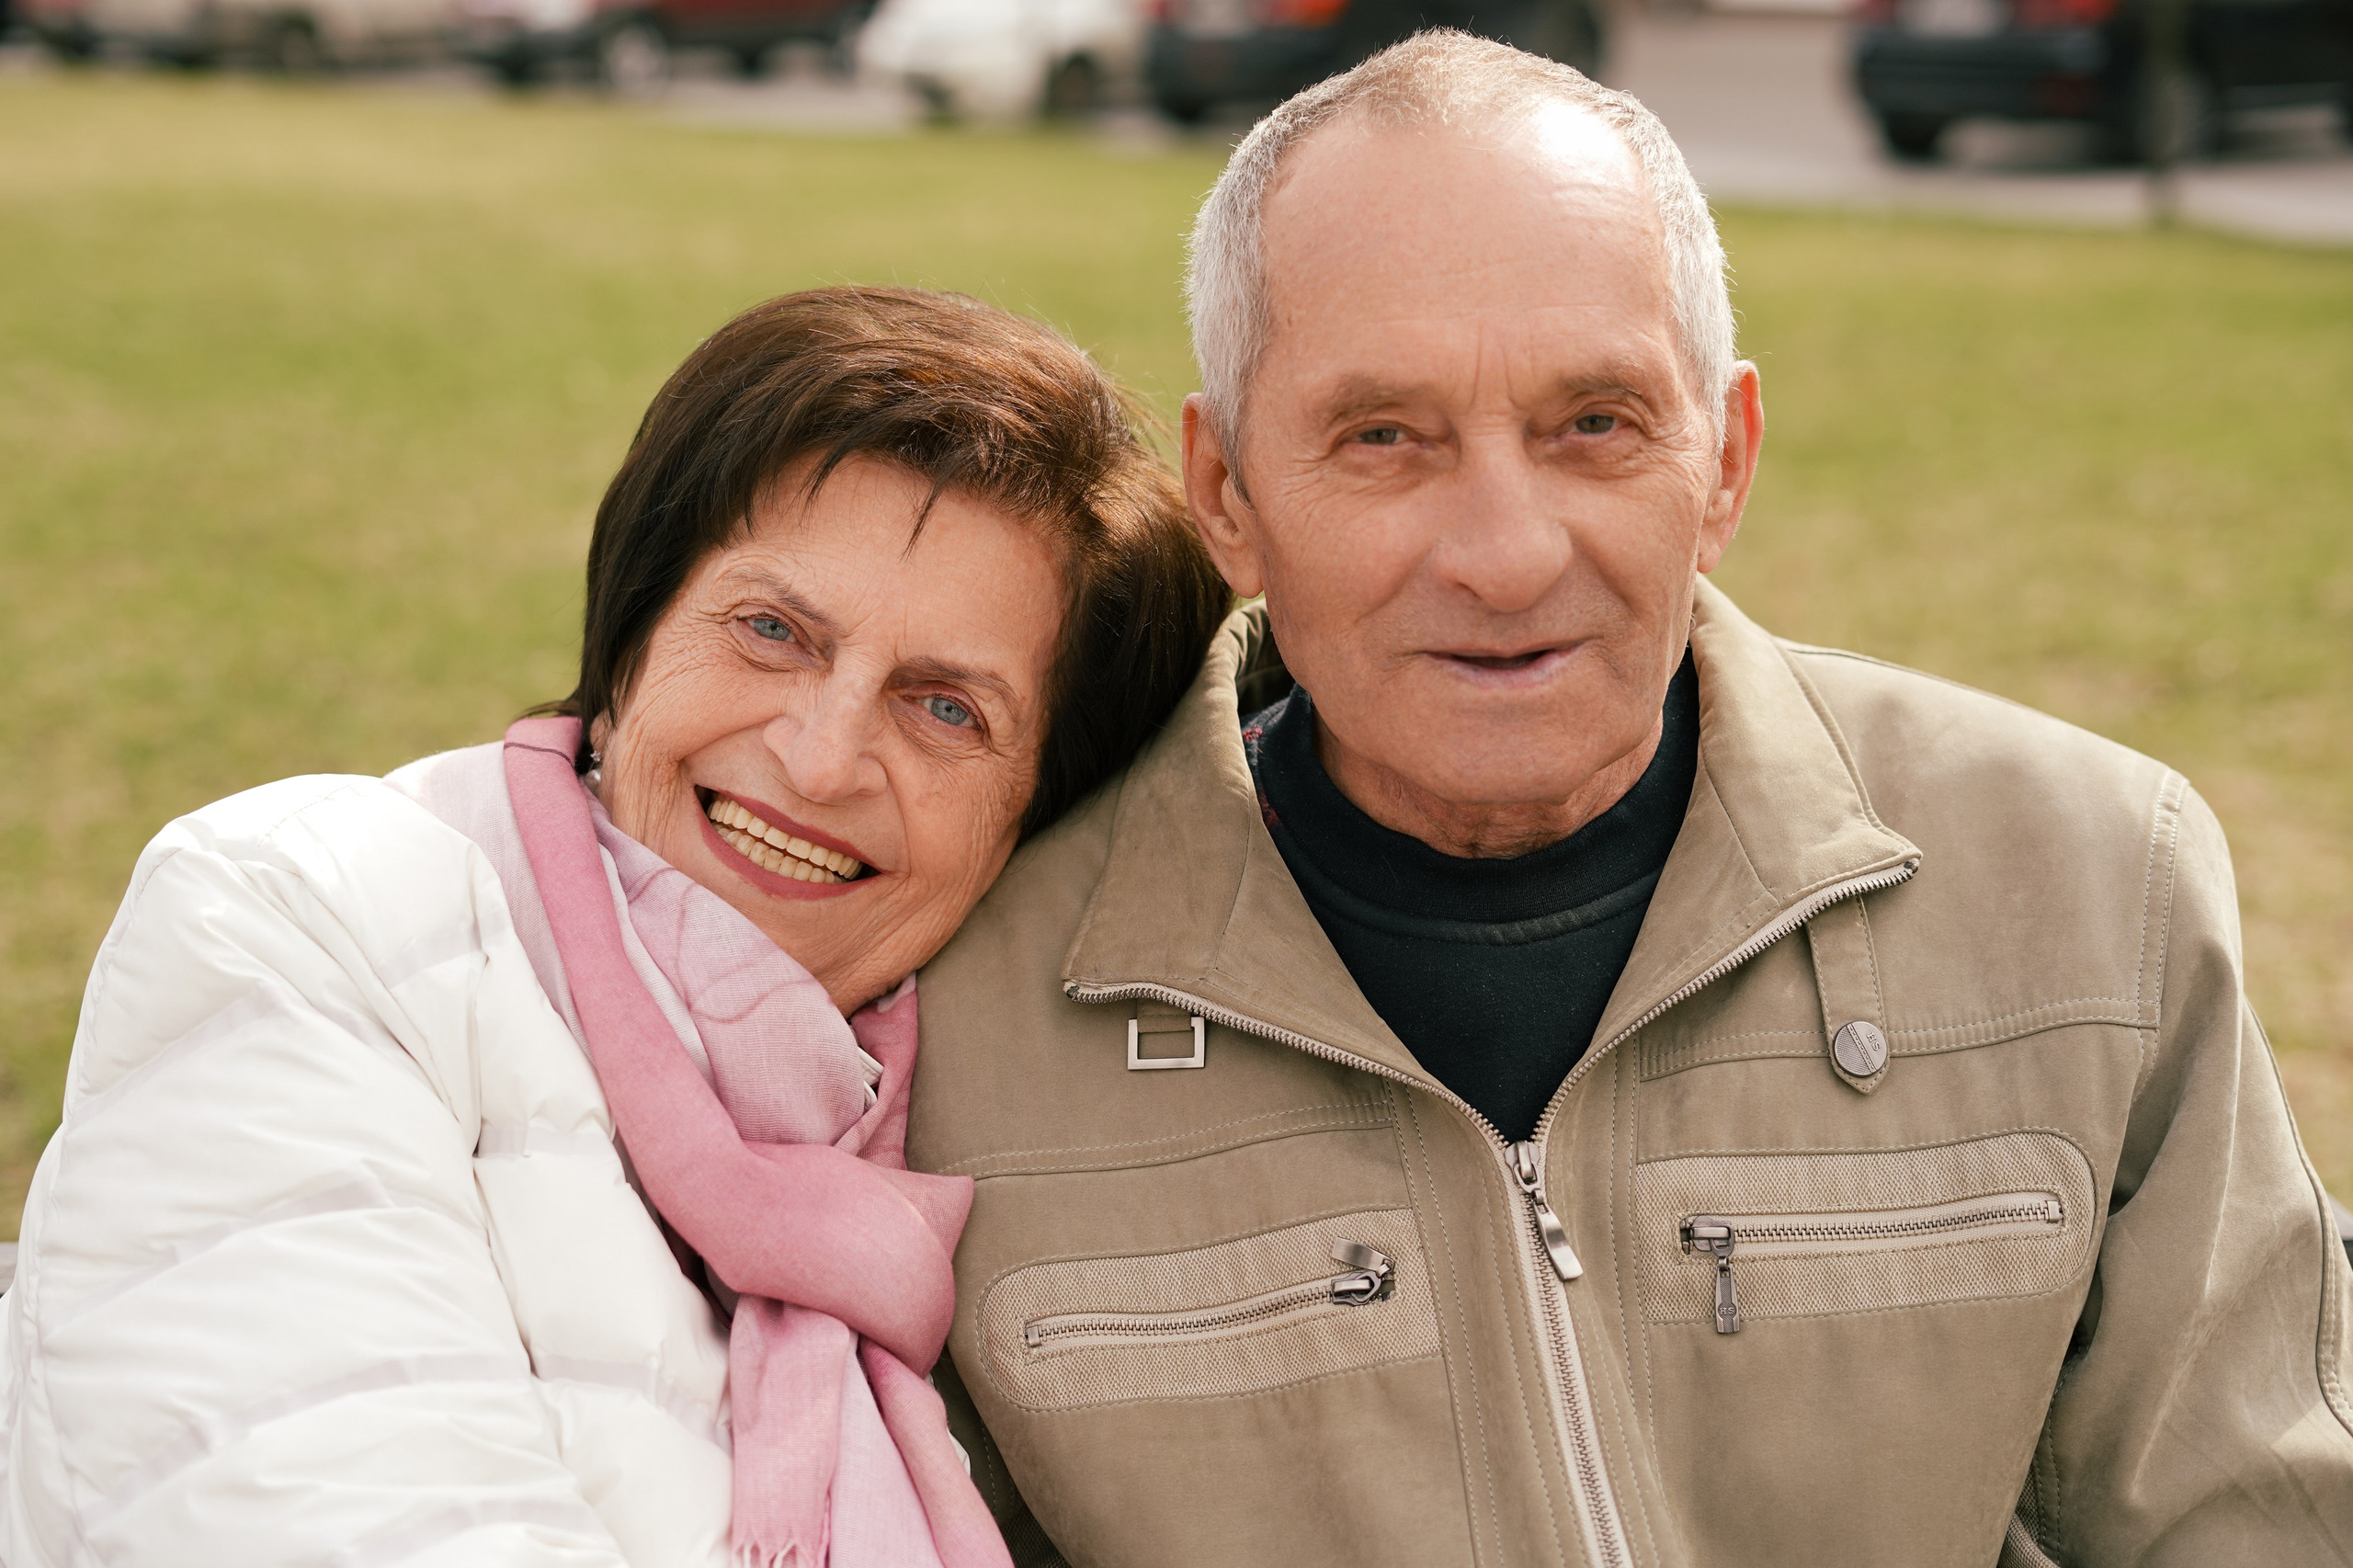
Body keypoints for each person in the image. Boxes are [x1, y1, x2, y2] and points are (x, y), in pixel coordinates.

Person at [906, 32, 2353, 1568]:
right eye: (1383, 437)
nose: (1507, 551)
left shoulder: (2089, 888)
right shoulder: (961, 1033)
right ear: (1226, 495)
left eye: (1593, 423)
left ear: (1722, 462)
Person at [0, 287, 1231, 1567]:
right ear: (634, 634)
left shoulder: (960, 1124)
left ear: (1027, 819)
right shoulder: (307, 912)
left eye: (945, 709)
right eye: (771, 631)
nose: (819, 758)